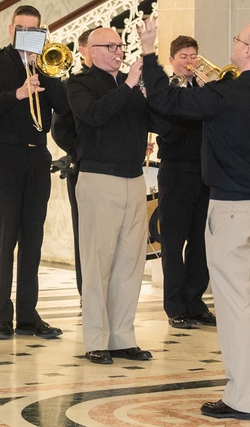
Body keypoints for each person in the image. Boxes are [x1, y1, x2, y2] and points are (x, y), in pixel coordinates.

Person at [143, 19, 250, 420]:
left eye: (237, 40)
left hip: (233, 210)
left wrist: (148, 54)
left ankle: (240, 398)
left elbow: (166, 101)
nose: (232, 44)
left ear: (248, 50)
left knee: (234, 308)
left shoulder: (225, 94)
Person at [0, 5, 70, 340]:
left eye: (34, 30)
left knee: (33, 238)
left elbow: (63, 104)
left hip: (37, 156)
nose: (27, 35)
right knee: (5, 238)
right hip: (4, 154)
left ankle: (28, 315)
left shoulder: (46, 62)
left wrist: (46, 72)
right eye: (21, 29)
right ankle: (3, 316)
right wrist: (18, 92)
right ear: (10, 29)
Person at [66, 27, 155, 365]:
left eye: (120, 45)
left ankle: (123, 337)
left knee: (130, 264)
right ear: (87, 51)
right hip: (99, 179)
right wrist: (130, 85)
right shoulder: (79, 84)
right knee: (97, 263)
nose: (117, 51)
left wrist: (148, 92)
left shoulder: (131, 86)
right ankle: (96, 340)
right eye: (108, 46)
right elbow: (95, 116)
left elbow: (160, 122)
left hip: (134, 179)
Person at [157, 36, 215, 330]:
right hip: (176, 171)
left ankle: (195, 302)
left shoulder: (205, 90)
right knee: (173, 242)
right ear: (172, 60)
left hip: (204, 173)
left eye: (193, 55)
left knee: (200, 242)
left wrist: (207, 91)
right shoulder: (167, 91)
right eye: (183, 56)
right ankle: (175, 306)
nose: (190, 61)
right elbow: (166, 126)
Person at [51, 27, 96, 296]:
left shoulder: (120, 82)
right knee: (86, 233)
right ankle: (87, 293)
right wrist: (83, 153)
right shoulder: (72, 84)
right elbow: (61, 130)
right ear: (82, 50)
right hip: (83, 166)